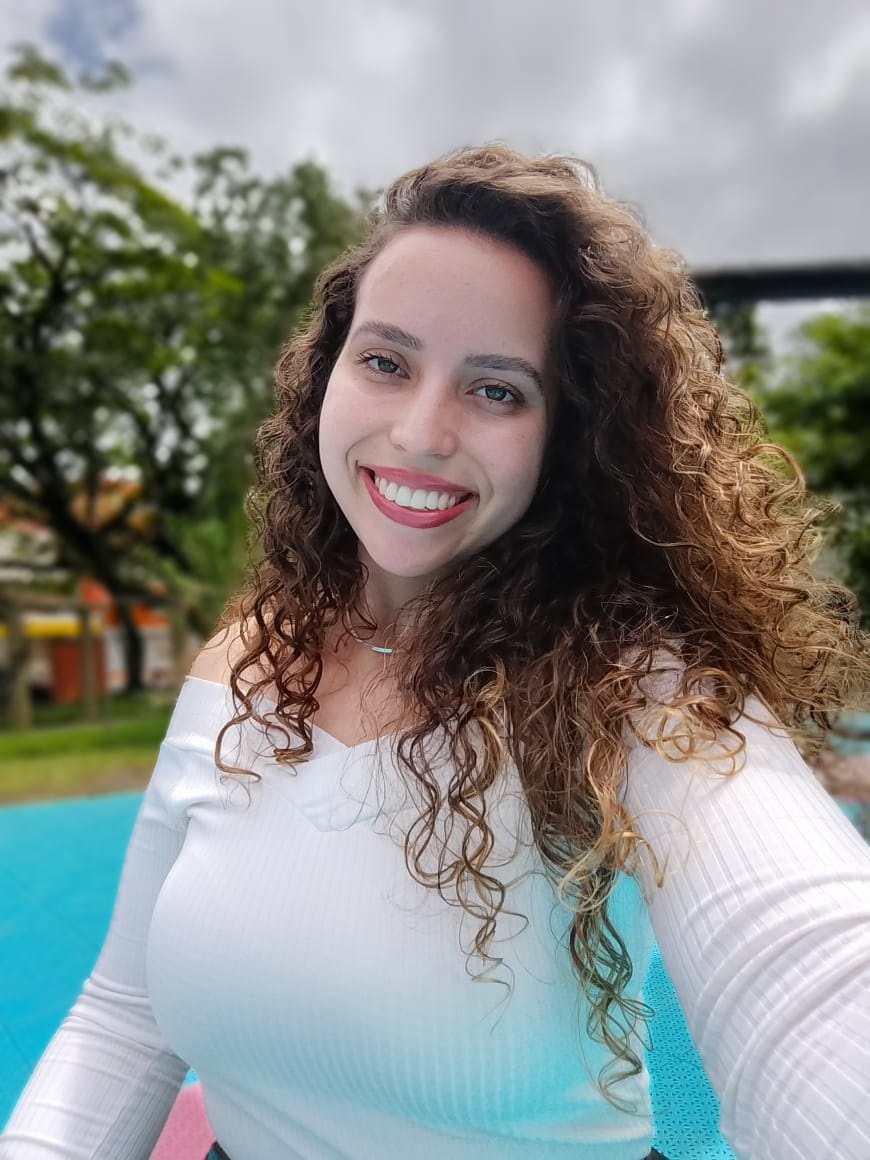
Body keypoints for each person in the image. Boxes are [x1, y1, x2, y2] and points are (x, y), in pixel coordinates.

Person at [3, 145, 870, 1160]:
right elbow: (124, 1016)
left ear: (570, 434)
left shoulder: (635, 685)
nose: (420, 433)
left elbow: (808, 970)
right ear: (327, 375)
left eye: (497, 389)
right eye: (386, 361)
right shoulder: (241, 662)